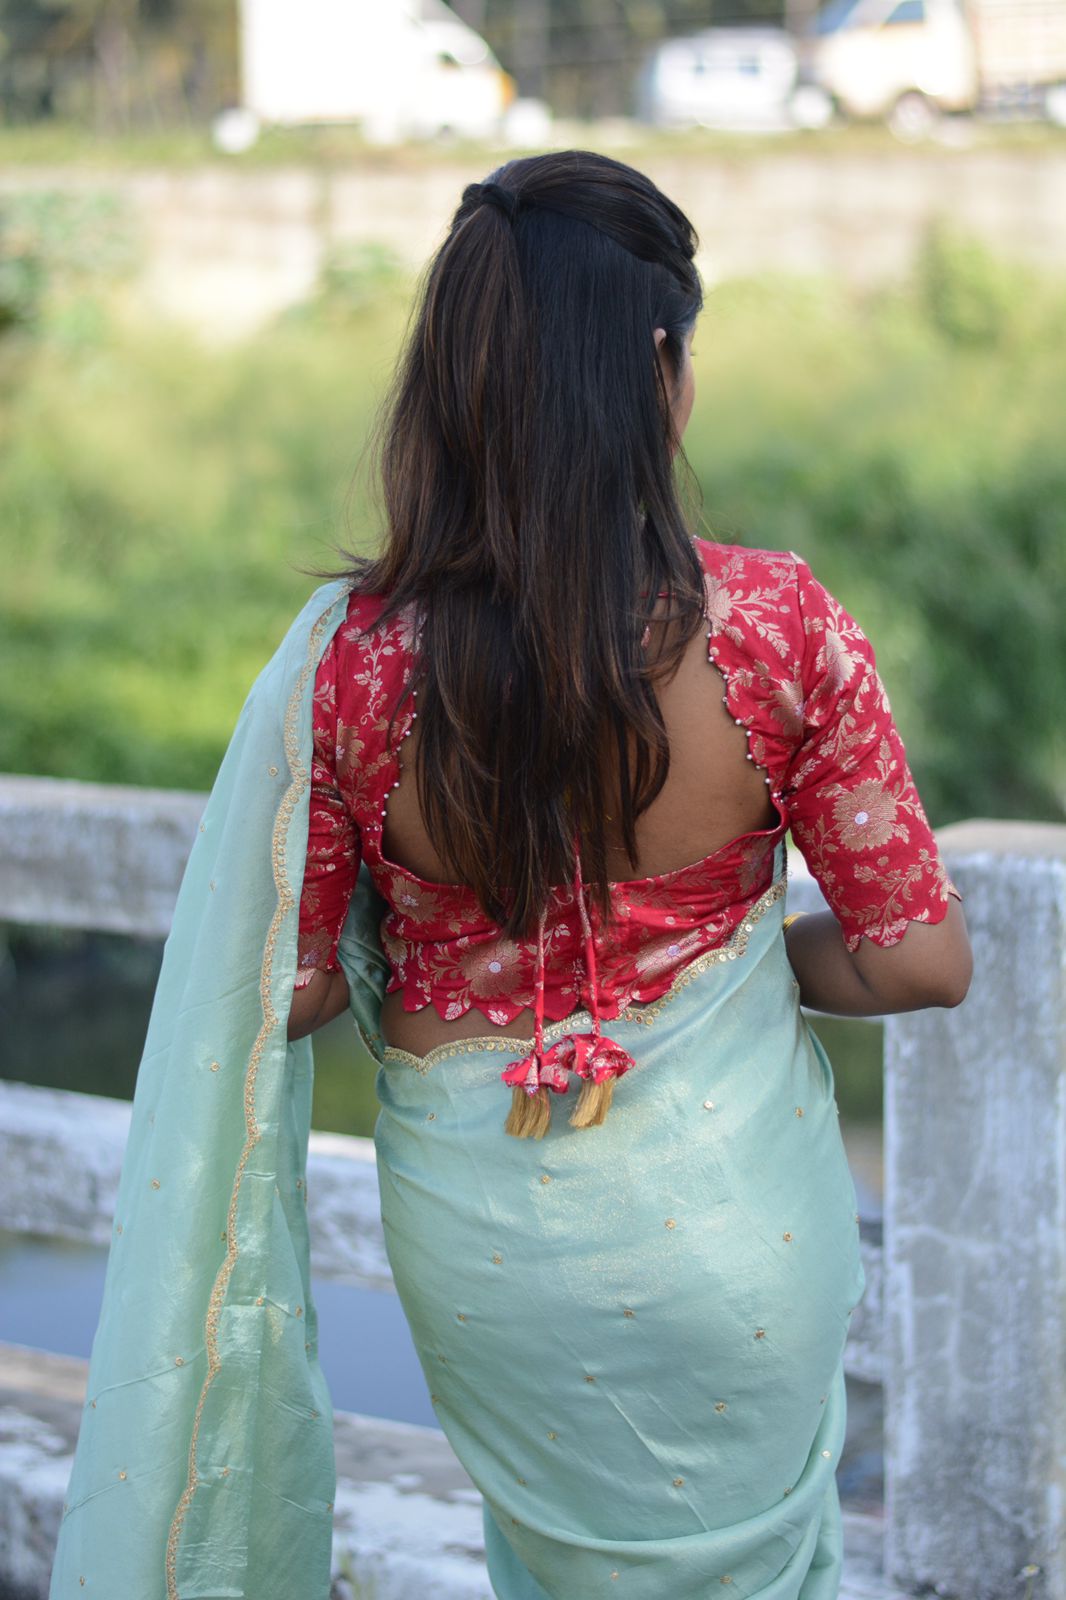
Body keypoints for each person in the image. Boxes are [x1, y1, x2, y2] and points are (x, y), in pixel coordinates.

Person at [47, 150, 972, 1600]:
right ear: (659, 365)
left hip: (491, 1253)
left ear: (456, 381)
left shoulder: (348, 662)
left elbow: (278, 996)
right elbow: (920, 962)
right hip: (740, 1231)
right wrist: (726, 956)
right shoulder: (781, 629)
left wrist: (430, 940)